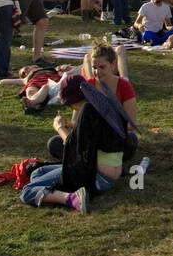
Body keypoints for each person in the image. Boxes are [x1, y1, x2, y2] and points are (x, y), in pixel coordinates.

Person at [19, 73, 132, 213]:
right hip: (110, 173)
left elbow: (76, 150)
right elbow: (94, 138)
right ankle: (54, 191)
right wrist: (74, 128)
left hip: (97, 177)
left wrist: (59, 128)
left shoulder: (88, 111)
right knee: (37, 173)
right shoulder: (104, 103)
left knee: (27, 191)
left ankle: (73, 198)